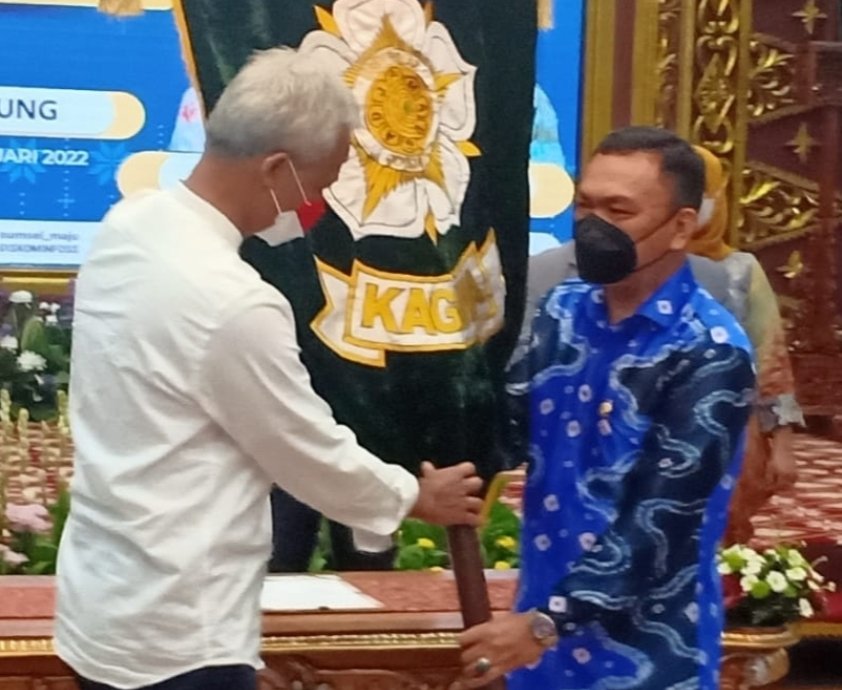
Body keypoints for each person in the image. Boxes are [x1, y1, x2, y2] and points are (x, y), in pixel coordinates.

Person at [54, 48, 483, 690]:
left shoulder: (129, 224)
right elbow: (302, 449)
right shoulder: (231, 299)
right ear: (278, 168)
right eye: (323, 182)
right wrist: (416, 497)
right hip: (182, 632)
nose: (320, 203)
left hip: (100, 602)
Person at [456, 127, 755, 690]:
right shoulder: (563, 311)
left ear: (681, 227)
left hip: (649, 651)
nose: (594, 226)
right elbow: (509, 426)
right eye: (585, 205)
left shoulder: (708, 349)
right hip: (539, 636)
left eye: (619, 211)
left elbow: (660, 519)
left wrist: (547, 624)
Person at [688, 146, 802, 544]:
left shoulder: (741, 270)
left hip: (730, 428)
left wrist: (782, 445)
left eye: (701, 192)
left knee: (720, 538)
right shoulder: (633, 267)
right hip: (642, 425)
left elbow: (770, 358)